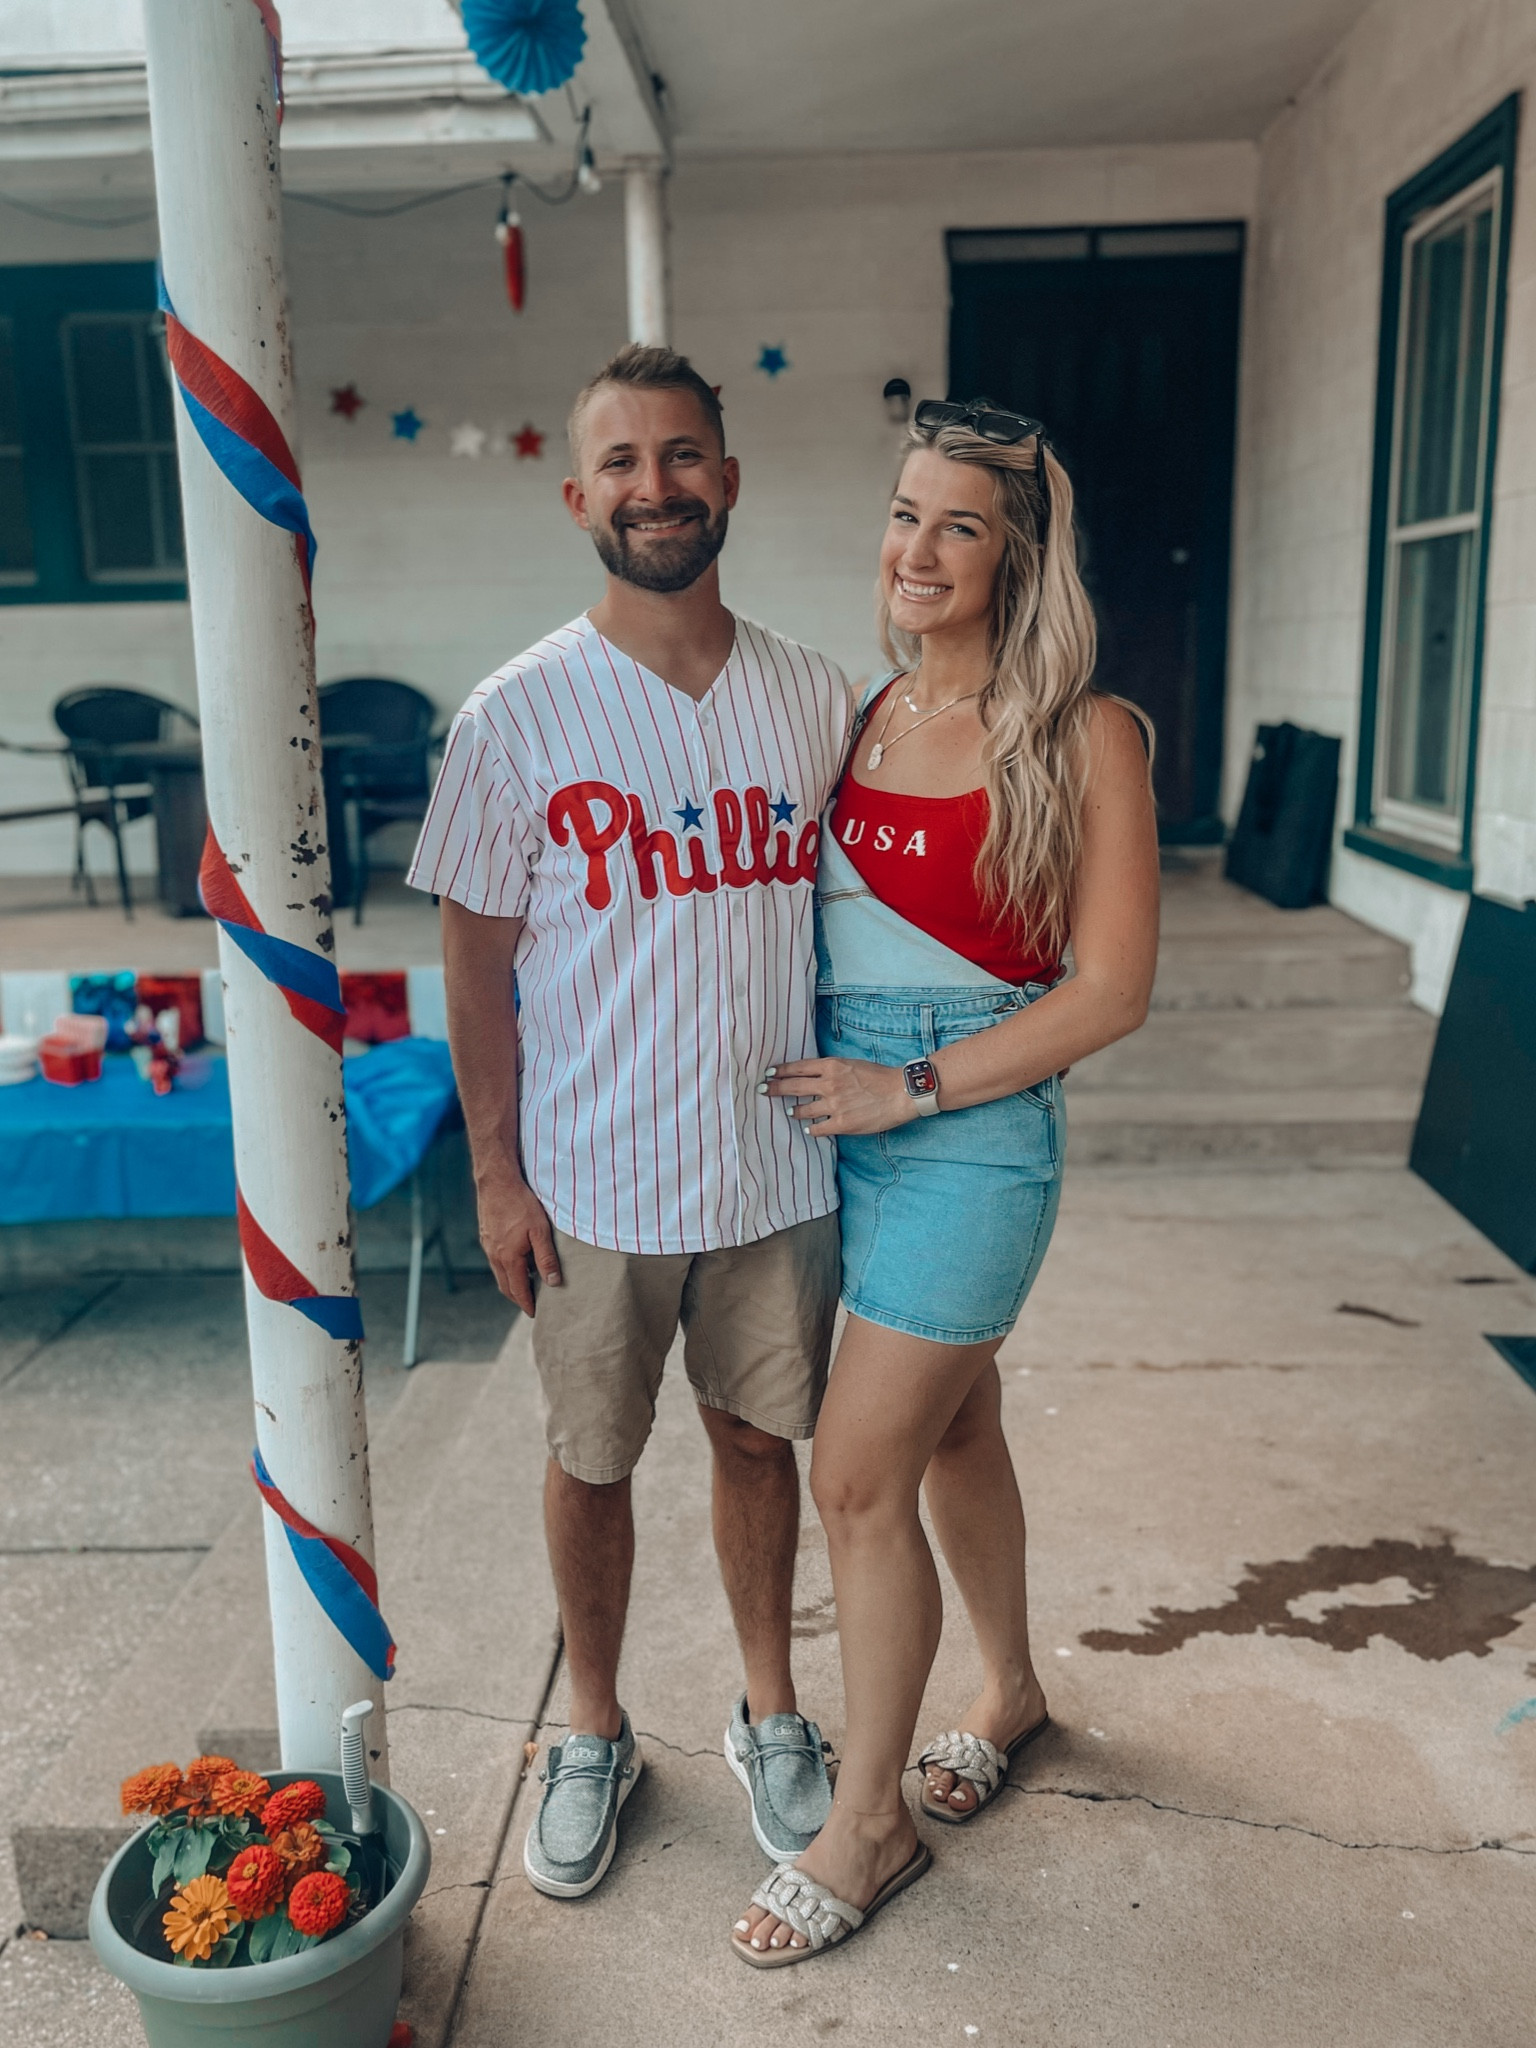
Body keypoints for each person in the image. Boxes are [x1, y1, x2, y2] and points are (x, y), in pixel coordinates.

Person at [408, 344, 853, 1899]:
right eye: (622, 462)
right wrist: (495, 1175)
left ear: (728, 480)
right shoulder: (514, 716)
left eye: (681, 457)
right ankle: (591, 1726)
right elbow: (472, 964)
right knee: (591, 1458)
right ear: (576, 494)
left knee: (755, 1440)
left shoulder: (815, 697)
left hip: (777, 1164)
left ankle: (770, 1710)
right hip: (594, 1175)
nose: (654, 486)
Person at [730, 400, 1159, 1965]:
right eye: (905, 514)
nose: (916, 550)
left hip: (968, 1126)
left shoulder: (1084, 734)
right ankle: (1012, 1692)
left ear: (1017, 554)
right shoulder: (861, 714)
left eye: (959, 525)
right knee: (956, 1423)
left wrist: (905, 1084)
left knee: (857, 1475)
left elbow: (1109, 992)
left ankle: (867, 1823)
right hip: (837, 1115)